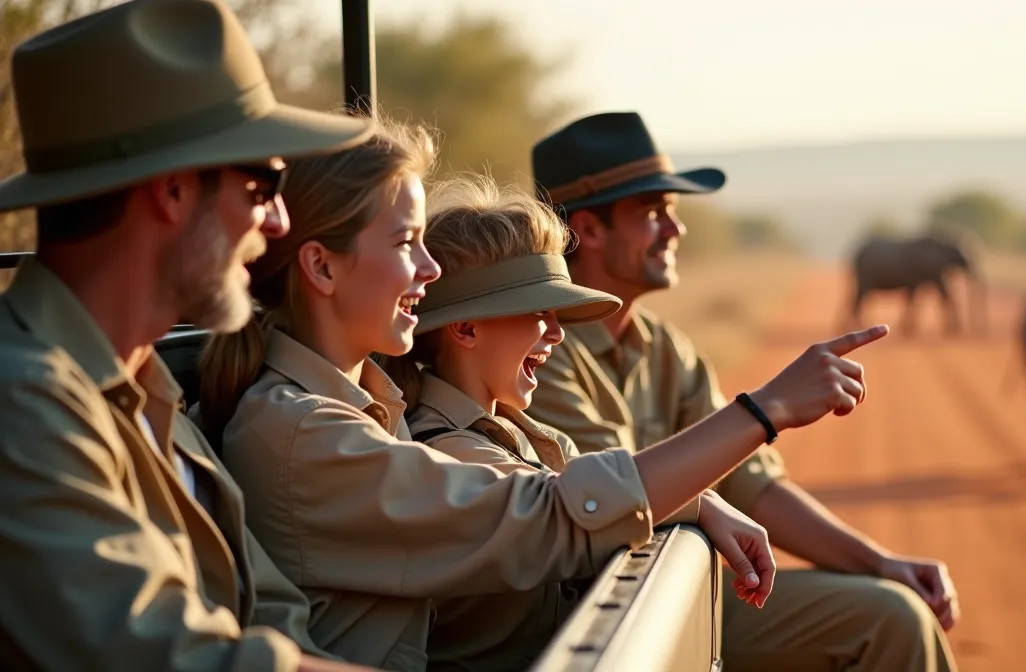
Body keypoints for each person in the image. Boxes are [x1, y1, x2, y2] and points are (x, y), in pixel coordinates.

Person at [195, 110, 888, 670]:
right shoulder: (302, 430)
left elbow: (561, 482)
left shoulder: (375, 407)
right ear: (321, 267)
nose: (430, 270)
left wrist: (700, 500)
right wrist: (763, 411)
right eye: (407, 243)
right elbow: (544, 514)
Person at [0, 1, 381, 670]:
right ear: (172, 190)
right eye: (263, 185)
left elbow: (274, 617)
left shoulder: (145, 389)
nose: (279, 223)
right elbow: (175, 657)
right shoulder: (21, 400)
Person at [525, 111, 962, 672]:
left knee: (896, 608)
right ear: (588, 230)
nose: (675, 230)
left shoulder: (664, 347)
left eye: (672, 212)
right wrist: (768, 407)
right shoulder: (539, 352)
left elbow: (752, 485)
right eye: (653, 212)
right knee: (890, 620)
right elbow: (619, 492)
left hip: (675, 589)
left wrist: (880, 562)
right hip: (598, 615)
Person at [376, 174, 785, 670]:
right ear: (465, 328)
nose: (556, 335)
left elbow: (591, 486)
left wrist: (704, 502)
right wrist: (764, 414)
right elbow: (567, 505)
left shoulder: (520, 432)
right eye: (539, 313)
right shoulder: (445, 449)